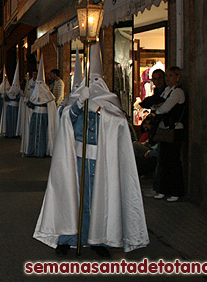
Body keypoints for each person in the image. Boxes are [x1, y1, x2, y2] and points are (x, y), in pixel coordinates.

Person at [34, 43, 149, 256]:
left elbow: (120, 125)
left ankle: (99, 240)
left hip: (102, 161)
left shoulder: (110, 102)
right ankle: (67, 238)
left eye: (98, 81)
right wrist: (79, 106)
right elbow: (64, 119)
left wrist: (101, 111)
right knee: (73, 197)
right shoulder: (74, 102)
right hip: (76, 158)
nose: (95, 85)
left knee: (100, 200)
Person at [151, 66, 186, 202]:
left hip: (174, 130)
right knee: (163, 160)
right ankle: (162, 189)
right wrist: (157, 107)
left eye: (171, 75)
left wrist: (158, 109)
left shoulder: (178, 92)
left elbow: (164, 108)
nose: (168, 78)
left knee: (173, 161)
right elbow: (156, 105)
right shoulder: (167, 91)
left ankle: (175, 191)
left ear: (177, 77)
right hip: (165, 130)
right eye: (167, 76)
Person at [21, 55, 57, 157]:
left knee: (42, 135)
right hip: (35, 115)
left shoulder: (48, 94)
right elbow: (31, 102)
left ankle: (41, 151)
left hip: (43, 116)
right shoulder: (34, 91)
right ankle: (32, 150)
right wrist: (29, 104)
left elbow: (50, 103)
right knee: (33, 133)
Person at [0, 61, 21, 138]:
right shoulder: (9, 90)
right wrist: (6, 95)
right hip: (10, 106)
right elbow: (7, 99)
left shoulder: (19, 92)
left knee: (15, 121)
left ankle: (15, 133)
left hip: (16, 108)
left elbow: (19, 99)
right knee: (9, 120)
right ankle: (8, 132)